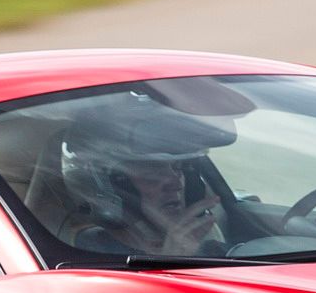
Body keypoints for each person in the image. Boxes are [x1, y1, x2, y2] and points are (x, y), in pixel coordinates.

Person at [45, 91, 241, 257]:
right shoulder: (84, 256)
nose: (176, 183)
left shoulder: (211, 247)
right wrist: (174, 259)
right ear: (104, 185)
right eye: (153, 170)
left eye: (179, 168)